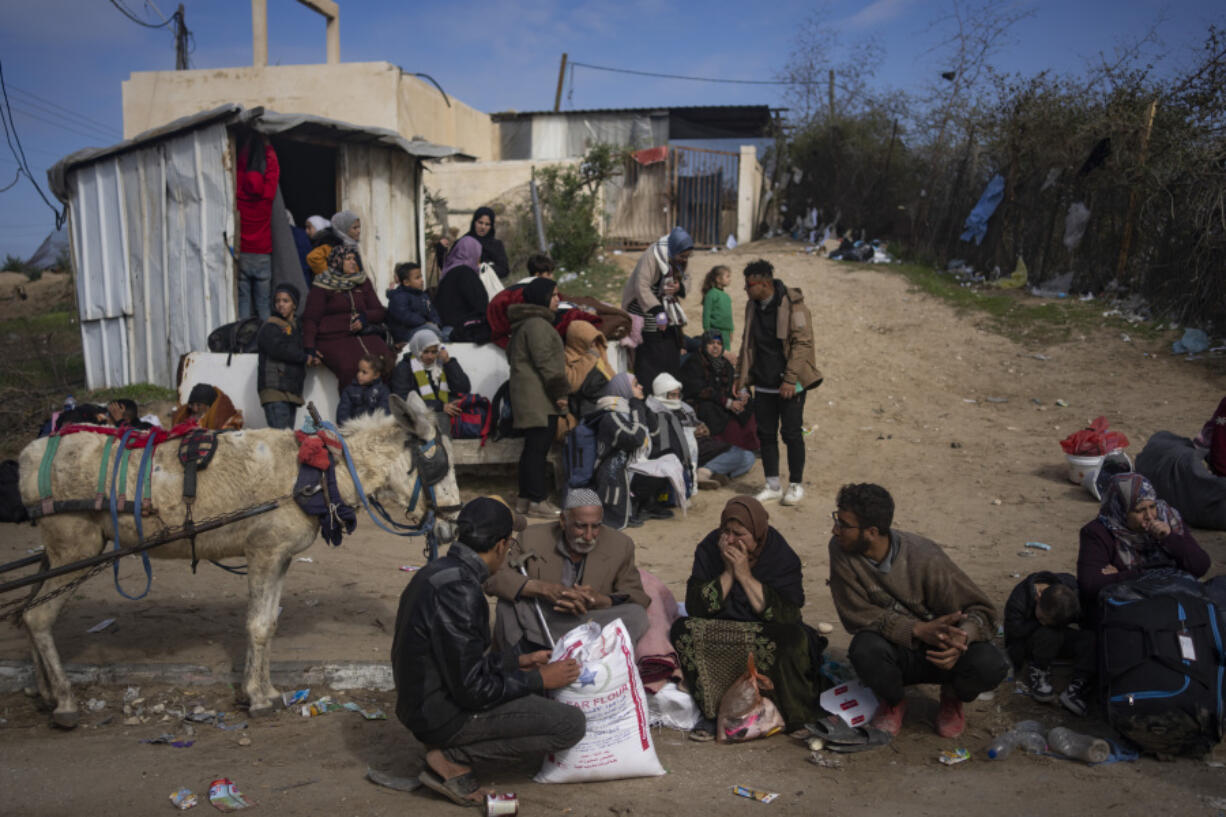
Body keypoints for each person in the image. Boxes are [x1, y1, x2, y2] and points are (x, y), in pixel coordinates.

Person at [392, 497, 584, 807]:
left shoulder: (437, 572)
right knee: (570, 724)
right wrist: (538, 679)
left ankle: (447, 747)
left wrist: (514, 660)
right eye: (509, 546)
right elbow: (472, 691)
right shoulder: (462, 591)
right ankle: (449, 757)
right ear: (501, 545)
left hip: (423, 705)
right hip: (440, 716)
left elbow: (456, 661)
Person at [827, 483, 1007, 738]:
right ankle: (893, 701)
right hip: (897, 648)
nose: (836, 530)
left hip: (943, 651)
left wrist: (961, 639)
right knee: (864, 649)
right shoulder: (841, 550)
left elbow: (983, 611)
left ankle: (953, 696)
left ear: (871, 532)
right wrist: (917, 630)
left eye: (843, 524)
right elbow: (856, 614)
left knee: (991, 664)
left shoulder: (925, 557)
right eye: (837, 520)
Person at [671, 495, 827, 734]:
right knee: (682, 630)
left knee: (796, 640)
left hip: (765, 630)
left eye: (739, 534)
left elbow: (787, 615)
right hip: (722, 630)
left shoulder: (780, 555)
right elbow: (696, 607)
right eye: (726, 531)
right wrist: (729, 573)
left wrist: (744, 575)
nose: (730, 540)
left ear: (757, 533)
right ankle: (714, 714)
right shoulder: (710, 547)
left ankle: (794, 715)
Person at [485, 488, 651, 651]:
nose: (588, 536)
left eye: (595, 527)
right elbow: (494, 578)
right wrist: (543, 589)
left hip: (590, 621)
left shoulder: (620, 545)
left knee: (636, 615)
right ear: (563, 521)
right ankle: (517, 664)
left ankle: (588, 657)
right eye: (580, 526)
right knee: (507, 604)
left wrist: (602, 600)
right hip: (542, 618)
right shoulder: (531, 537)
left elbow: (636, 595)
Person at [736, 259, 822, 507]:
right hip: (763, 381)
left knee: (792, 433)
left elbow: (802, 344)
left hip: (789, 384)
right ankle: (772, 485)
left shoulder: (793, 305)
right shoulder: (752, 306)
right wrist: (739, 379)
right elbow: (746, 342)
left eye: (749, 285)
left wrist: (789, 379)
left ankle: (795, 485)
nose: (746, 289)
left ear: (764, 283)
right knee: (766, 435)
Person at [1077, 473, 1210, 613]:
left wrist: (1169, 538)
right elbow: (1090, 585)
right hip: (1130, 610)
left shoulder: (1167, 519)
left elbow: (1200, 566)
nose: (1150, 516)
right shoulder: (1098, 532)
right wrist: (1140, 574)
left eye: (1152, 507)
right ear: (1121, 510)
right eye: (1140, 510)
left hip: (1174, 603)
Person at [508, 278, 568, 518]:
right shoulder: (537, 325)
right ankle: (537, 500)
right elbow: (547, 363)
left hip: (532, 397)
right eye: (554, 295)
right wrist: (560, 393)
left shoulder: (528, 324)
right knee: (537, 450)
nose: (558, 299)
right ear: (542, 297)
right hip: (539, 399)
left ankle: (525, 499)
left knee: (532, 449)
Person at [301, 245, 392, 396]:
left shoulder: (362, 282)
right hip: (333, 338)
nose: (352, 262)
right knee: (351, 367)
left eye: (354, 258)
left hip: (364, 334)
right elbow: (311, 318)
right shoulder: (322, 285)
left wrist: (365, 317)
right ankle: (351, 411)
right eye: (347, 259)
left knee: (385, 361)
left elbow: (379, 311)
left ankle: (382, 408)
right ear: (337, 262)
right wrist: (309, 346)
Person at [1003, 571, 1093, 716]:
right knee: (1049, 632)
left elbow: (1084, 618)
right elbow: (1014, 631)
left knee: (1089, 638)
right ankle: (1038, 671)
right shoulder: (1020, 597)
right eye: (1042, 617)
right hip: (1029, 642)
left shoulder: (1071, 590)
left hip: (1059, 635)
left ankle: (1076, 687)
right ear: (1038, 598)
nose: (1043, 621)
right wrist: (1040, 624)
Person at [651, 371, 754, 489]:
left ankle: (711, 472)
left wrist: (702, 428)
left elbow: (696, 421)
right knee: (739, 454)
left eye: (677, 394)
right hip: (689, 450)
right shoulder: (657, 413)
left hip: (704, 443)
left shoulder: (683, 407)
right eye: (672, 395)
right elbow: (668, 441)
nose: (676, 398)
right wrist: (691, 434)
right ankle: (705, 472)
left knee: (748, 457)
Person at [622, 226, 693, 391]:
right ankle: (649, 390)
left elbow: (687, 278)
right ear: (673, 249)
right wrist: (658, 312)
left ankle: (669, 389)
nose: (684, 259)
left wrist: (678, 287)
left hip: (667, 305)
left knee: (670, 346)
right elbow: (642, 286)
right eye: (682, 256)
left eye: (687, 256)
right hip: (644, 307)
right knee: (652, 350)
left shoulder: (680, 258)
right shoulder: (653, 255)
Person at [587, 374, 651, 530]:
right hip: (611, 474)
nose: (641, 387)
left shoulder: (625, 411)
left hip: (625, 469)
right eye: (636, 385)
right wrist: (638, 407)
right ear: (623, 390)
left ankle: (632, 511)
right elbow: (635, 437)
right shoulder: (611, 415)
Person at [679, 331, 758, 453]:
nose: (715, 346)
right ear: (704, 345)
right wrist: (727, 403)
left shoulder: (725, 364)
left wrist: (743, 394)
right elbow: (699, 389)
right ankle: (725, 446)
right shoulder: (694, 362)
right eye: (711, 343)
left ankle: (752, 444)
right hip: (701, 402)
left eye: (719, 343)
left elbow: (734, 384)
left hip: (725, 401)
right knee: (710, 409)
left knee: (749, 404)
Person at [256, 282, 318, 429]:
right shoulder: (271, 326)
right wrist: (305, 357)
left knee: (287, 440)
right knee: (280, 440)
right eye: (277, 301)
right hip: (275, 389)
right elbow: (279, 349)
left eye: (285, 301)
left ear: (294, 305)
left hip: (290, 390)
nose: (280, 305)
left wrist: (313, 352)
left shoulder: (296, 326)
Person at [234, 135, 280, 321]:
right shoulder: (266, 198)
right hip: (262, 256)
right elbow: (273, 172)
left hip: (244, 254)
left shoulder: (239, 197)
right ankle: (264, 339)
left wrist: (246, 145)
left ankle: (244, 339)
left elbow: (238, 169)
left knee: (244, 300)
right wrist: (268, 146)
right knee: (263, 302)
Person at [390, 328, 472, 418]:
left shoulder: (440, 363)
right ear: (417, 350)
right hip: (420, 415)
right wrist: (440, 407)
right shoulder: (404, 367)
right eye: (425, 352)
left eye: (434, 352)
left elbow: (464, 389)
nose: (430, 356)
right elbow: (403, 399)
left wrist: (448, 362)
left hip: (445, 406)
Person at [435, 236, 492, 343]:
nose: (478, 259)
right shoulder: (466, 274)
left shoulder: (448, 272)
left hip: (445, 330)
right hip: (461, 333)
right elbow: (480, 304)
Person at [565, 320, 614, 419]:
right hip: (583, 415)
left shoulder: (598, 355)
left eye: (596, 340)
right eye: (590, 341)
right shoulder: (566, 358)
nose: (594, 345)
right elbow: (572, 384)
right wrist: (589, 358)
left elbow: (613, 379)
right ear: (579, 341)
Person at [386, 261, 442, 344]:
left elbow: (432, 311)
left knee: (447, 332)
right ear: (406, 282)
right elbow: (405, 316)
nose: (422, 280)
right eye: (417, 278)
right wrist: (424, 322)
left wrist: (436, 322)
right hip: (405, 334)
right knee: (431, 330)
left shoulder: (423, 296)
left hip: (423, 328)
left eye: (421, 277)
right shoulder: (399, 297)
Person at [336, 352, 391, 424]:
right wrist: (346, 426)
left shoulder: (383, 391)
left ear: (376, 375)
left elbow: (384, 412)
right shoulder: (349, 390)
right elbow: (343, 411)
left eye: (364, 372)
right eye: (359, 370)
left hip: (374, 429)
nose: (359, 374)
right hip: (352, 429)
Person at [172, 383, 244, 430]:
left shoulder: (226, 420)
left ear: (209, 406)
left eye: (198, 405)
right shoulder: (187, 416)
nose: (194, 409)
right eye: (192, 405)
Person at [467, 206, 510, 280]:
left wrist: (484, 268)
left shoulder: (496, 245)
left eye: (487, 224)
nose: (483, 227)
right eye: (480, 223)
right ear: (474, 222)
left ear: (491, 226)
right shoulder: (463, 243)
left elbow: (504, 270)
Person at [701, 265, 734, 349]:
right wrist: (707, 330)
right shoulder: (711, 294)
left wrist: (731, 331)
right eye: (727, 276)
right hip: (714, 331)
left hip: (726, 332)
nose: (730, 279)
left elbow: (729, 316)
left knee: (726, 355)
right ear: (718, 279)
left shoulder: (727, 296)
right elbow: (706, 314)